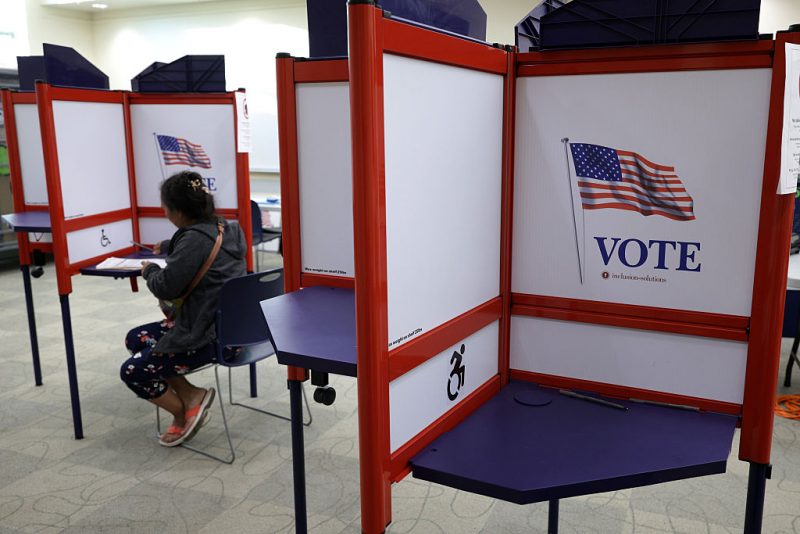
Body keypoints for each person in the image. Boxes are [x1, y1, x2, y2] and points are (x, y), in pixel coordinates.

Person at [121, 170, 247, 447]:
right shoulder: (230, 228)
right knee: (137, 338)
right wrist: (170, 246)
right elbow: (204, 247)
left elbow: (165, 287)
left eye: (166, 206)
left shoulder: (192, 240)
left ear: (177, 211)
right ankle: (192, 395)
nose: (164, 212)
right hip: (237, 332)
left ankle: (183, 414)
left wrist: (149, 270)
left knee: (132, 371)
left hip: (207, 336)